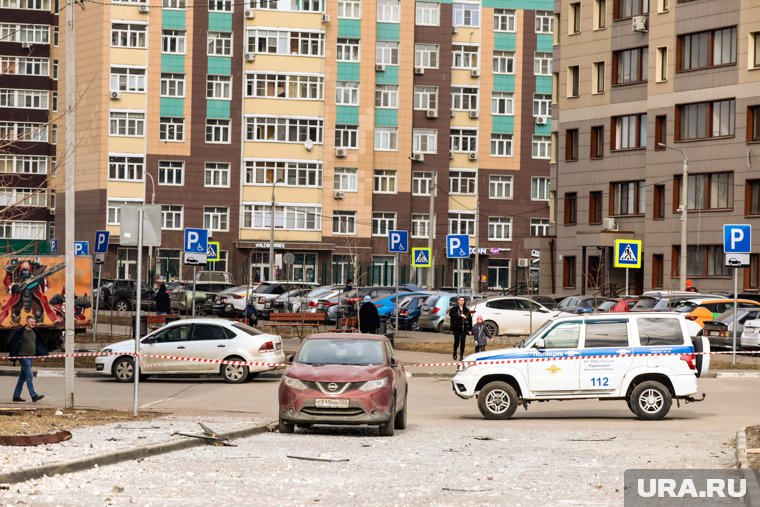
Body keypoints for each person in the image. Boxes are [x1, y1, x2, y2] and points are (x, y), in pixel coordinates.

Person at [9, 316, 46, 403]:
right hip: (23, 357)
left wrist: (42, 354)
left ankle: (16, 396)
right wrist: (13, 355)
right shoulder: (21, 332)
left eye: (34, 321)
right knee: (29, 375)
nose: (33, 323)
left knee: (22, 378)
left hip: (30, 357)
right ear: (27, 322)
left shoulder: (35, 332)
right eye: (31, 321)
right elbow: (14, 343)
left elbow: (39, 344)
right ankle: (34, 395)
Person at [449, 296, 472, 361]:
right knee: (457, 342)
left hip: (464, 328)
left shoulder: (466, 310)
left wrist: (470, 329)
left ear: (464, 301)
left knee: (463, 342)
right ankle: (455, 351)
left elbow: (470, 320)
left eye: (462, 300)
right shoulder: (454, 308)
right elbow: (451, 315)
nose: (461, 301)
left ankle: (461, 355)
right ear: (458, 301)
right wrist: (459, 315)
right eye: (460, 300)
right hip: (456, 328)